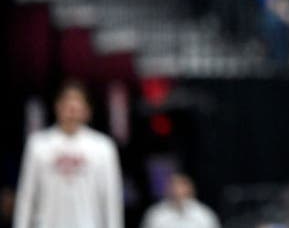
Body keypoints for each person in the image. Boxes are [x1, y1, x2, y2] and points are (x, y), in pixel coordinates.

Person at [14, 81, 123, 228]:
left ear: (87, 110)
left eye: (77, 102)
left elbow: (111, 199)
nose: (72, 108)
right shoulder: (38, 144)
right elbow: (27, 196)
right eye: (67, 102)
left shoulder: (103, 147)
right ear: (57, 106)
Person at [140, 173, 220, 228]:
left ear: (190, 190)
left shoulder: (203, 214)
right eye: (173, 187)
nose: (177, 191)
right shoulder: (155, 214)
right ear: (167, 190)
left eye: (181, 188)